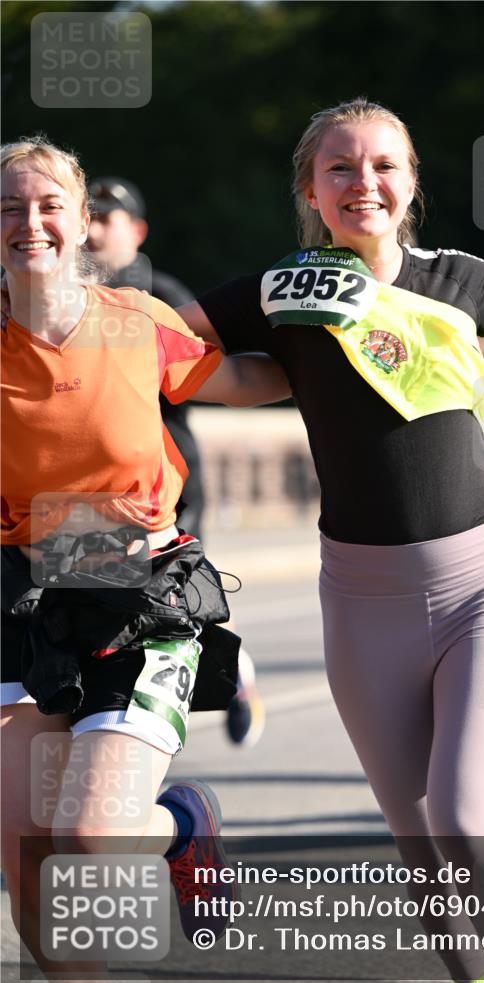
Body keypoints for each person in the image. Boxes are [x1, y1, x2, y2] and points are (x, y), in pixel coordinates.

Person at [180, 98, 484, 983]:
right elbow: (185, 354)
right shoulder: (281, 292)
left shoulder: (463, 281)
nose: (363, 182)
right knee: (412, 830)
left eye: (383, 166)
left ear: (410, 185)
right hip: (360, 602)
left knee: (458, 811)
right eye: (340, 168)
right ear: (310, 191)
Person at [0, 137, 289, 983]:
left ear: (85, 223)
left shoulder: (136, 321)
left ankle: (181, 825)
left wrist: (358, 349)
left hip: (138, 597)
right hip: (20, 602)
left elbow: (246, 379)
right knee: (29, 857)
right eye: (9, 207)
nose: (30, 223)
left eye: (49, 204)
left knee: (92, 835)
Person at [85, 177, 265, 747]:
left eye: (107, 218)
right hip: (91, 493)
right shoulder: (54, 300)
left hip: (167, 480)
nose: (92, 229)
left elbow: (220, 374)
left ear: (137, 231)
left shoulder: (160, 296)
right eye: (87, 215)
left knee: (180, 591)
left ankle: (235, 678)